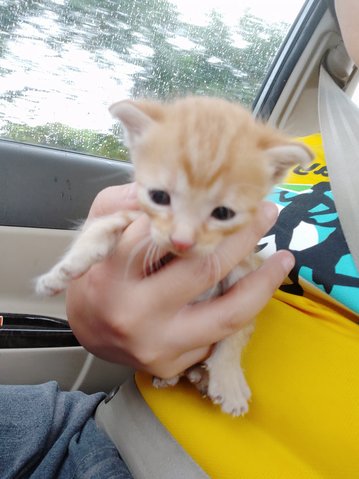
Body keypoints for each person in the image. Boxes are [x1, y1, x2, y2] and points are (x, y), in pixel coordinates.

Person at [0, 0, 357, 477]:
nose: (186, 237)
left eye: (223, 211)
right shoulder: (302, 150)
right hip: (92, 421)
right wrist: (94, 320)